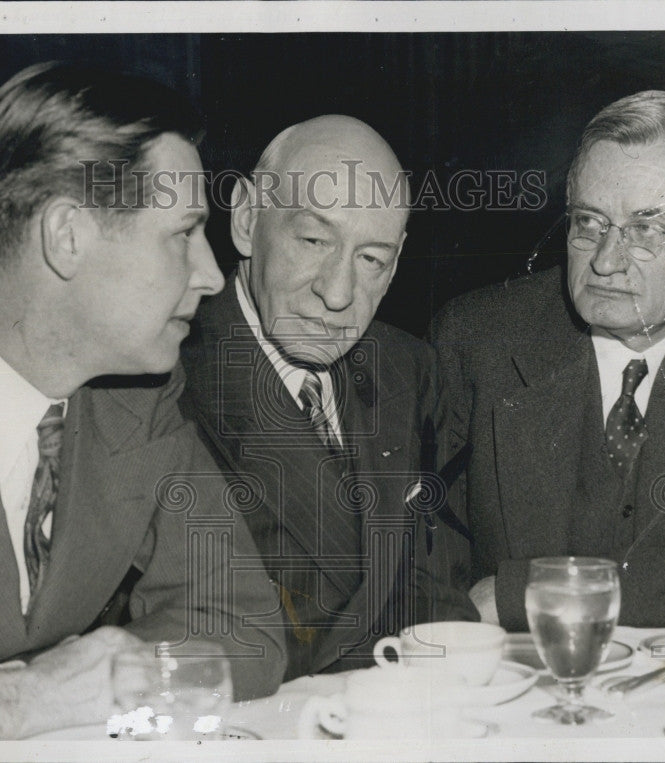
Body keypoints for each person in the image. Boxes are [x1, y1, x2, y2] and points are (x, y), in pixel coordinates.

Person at [0, 61, 286, 741]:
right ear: (67, 236)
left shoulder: (139, 393)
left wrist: (101, 678)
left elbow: (243, 628)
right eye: (183, 233)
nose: (213, 274)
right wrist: (9, 701)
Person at [432, 91, 665, 633]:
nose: (604, 260)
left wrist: (515, 595)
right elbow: (429, 560)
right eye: (589, 223)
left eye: (646, 230)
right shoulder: (476, 337)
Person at [179, 115, 478, 682]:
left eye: (371, 259)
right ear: (246, 219)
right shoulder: (168, 378)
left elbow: (437, 597)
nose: (338, 295)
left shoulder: (411, 370)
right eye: (315, 240)